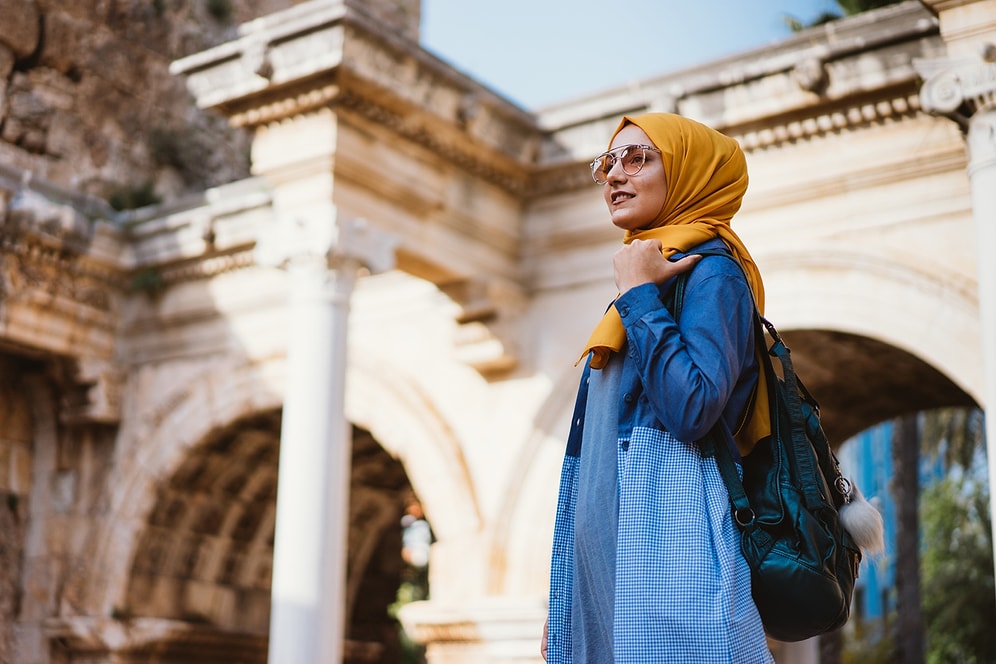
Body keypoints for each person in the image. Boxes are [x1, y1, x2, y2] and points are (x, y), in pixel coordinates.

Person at [542, 113, 775, 663]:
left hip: (670, 546)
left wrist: (640, 293)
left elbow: (693, 409)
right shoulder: (651, 270)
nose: (615, 175)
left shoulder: (710, 272)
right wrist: (568, 606)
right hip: (612, 558)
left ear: (691, 171)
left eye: (638, 158)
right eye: (608, 162)